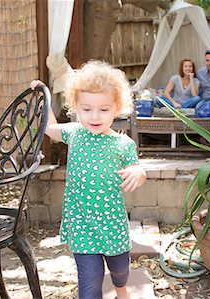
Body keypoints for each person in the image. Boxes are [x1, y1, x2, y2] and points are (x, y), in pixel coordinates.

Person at [31, 61, 147, 299]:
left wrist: (138, 173)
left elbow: (137, 169)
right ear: (76, 106)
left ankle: (121, 289)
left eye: (104, 110)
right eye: (86, 109)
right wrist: (43, 96)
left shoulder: (123, 144)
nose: (95, 116)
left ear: (117, 108)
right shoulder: (74, 133)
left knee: (120, 269)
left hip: (112, 223)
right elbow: (49, 128)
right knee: (89, 282)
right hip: (82, 224)